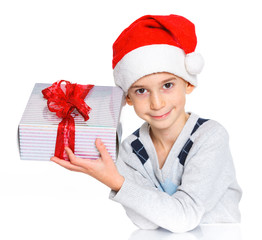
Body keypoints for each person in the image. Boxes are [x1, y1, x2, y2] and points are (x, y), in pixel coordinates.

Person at [51, 14, 242, 233]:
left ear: (188, 83)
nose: (157, 103)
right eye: (141, 90)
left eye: (167, 85)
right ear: (128, 98)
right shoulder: (130, 150)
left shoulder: (210, 136)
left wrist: (118, 182)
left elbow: (184, 218)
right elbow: (147, 222)